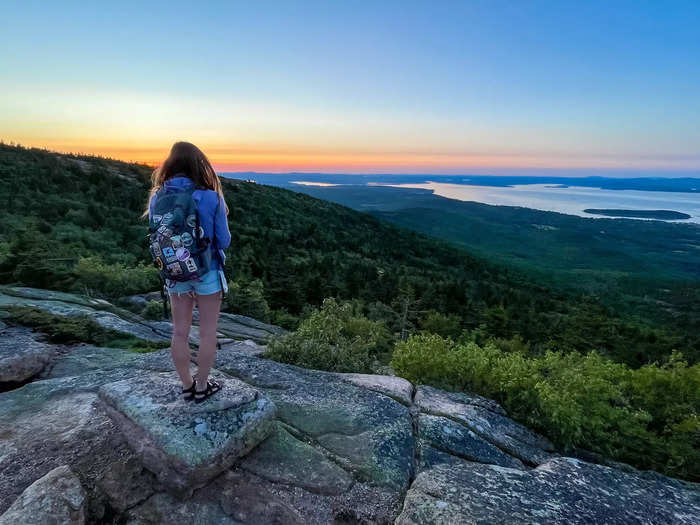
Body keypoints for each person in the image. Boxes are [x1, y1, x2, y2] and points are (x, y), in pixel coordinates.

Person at [146, 141, 231, 402]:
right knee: (207, 333)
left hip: (174, 270)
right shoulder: (210, 197)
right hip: (207, 271)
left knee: (179, 332)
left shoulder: (158, 196)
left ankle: (186, 385)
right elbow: (224, 240)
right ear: (199, 165)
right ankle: (203, 386)